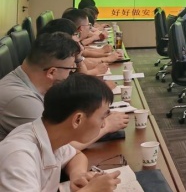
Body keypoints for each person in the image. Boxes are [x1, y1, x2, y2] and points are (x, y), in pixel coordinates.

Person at [0, 74, 121, 192]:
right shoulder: (19, 154)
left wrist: (78, 174)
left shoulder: (50, 134)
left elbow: (76, 155)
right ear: (77, 120)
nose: (104, 124)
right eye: (102, 117)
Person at [0, 33, 129, 144]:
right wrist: (107, 126)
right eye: (70, 69)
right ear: (52, 72)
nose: (71, 74)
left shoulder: (34, 82)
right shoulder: (21, 100)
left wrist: (97, 116)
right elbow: (60, 144)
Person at [38, 19, 109, 77]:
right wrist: (96, 70)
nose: (78, 39)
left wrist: (78, 58)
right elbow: (80, 78)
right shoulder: (61, 59)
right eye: (76, 34)